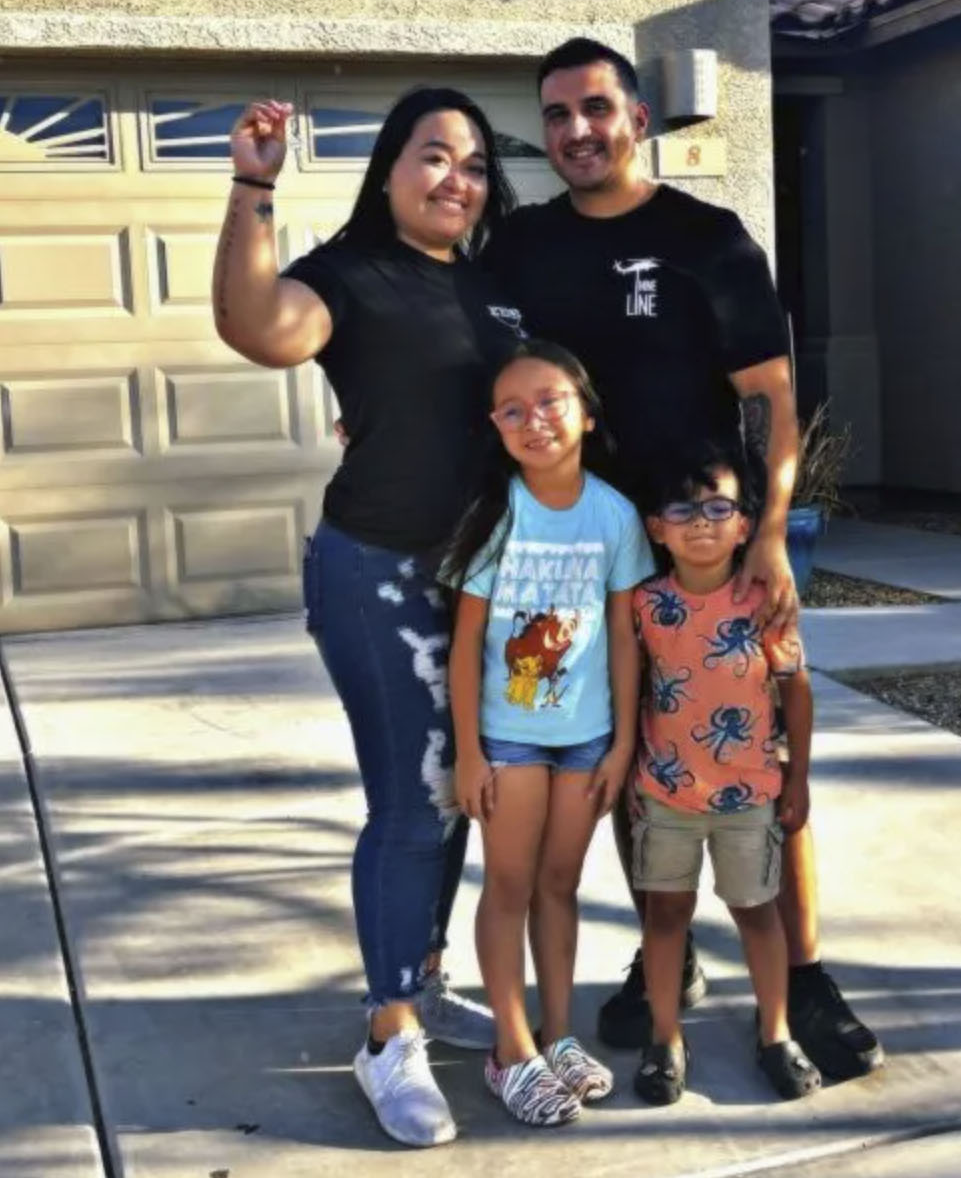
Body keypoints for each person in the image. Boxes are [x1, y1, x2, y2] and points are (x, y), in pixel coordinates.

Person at [483, 37, 884, 1082]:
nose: (577, 129)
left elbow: (774, 398)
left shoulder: (706, 239)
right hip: (593, 561)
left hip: (715, 549)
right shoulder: (521, 247)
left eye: (596, 108)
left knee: (761, 754)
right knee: (629, 756)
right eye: (557, 113)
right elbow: (457, 349)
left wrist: (769, 531)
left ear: (637, 120)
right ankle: (664, 945)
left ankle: (801, 970)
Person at [212, 90, 519, 1148]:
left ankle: (420, 979)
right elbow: (258, 328)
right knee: (412, 795)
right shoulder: (349, 271)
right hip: (373, 569)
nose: (454, 178)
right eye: (432, 156)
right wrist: (254, 185)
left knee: (459, 794)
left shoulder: (494, 290)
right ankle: (388, 1029)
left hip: (474, 581)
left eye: (473, 163)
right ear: (388, 170)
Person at [447, 340, 654, 1125]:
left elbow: (624, 636)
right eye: (512, 409)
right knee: (507, 885)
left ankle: (557, 1034)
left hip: (586, 739)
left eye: (551, 401)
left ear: (587, 414)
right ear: (495, 426)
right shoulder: (497, 512)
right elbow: (467, 643)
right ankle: (511, 1050)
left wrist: (622, 743)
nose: (534, 420)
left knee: (559, 885)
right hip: (509, 739)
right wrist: (470, 751)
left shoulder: (613, 515)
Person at [632, 447, 820, 1104]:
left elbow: (795, 691)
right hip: (666, 794)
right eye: (683, 510)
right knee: (664, 917)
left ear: (744, 525)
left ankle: (775, 1033)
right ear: (657, 527)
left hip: (749, 795)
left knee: (757, 914)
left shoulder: (764, 601)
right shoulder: (645, 605)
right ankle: (666, 1039)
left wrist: (797, 780)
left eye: (719, 508)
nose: (702, 522)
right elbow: (630, 691)